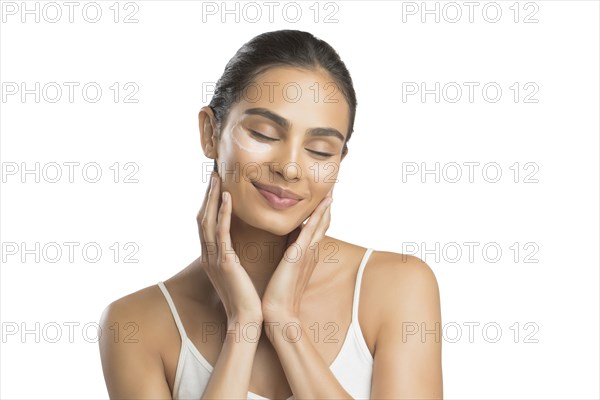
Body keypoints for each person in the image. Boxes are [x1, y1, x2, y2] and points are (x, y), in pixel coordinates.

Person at [99, 29, 443, 399]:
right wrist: (243, 325)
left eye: (320, 151)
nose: (291, 168)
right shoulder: (134, 324)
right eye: (264, 134)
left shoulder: (398, 286)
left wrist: (284, 321)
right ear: (210, 133)